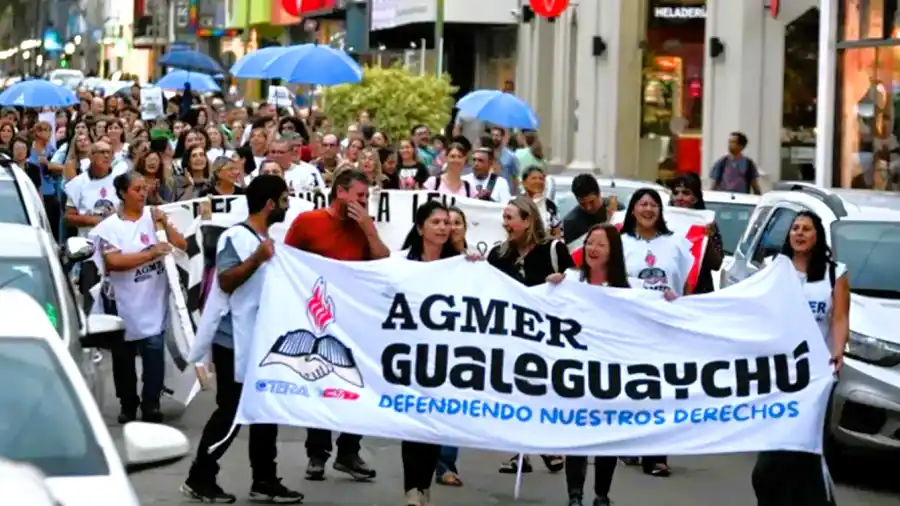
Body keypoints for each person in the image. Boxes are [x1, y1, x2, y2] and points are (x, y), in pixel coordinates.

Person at [181, 175, 304, 504]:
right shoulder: (237, 237)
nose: (287, 204)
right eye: (284, 199)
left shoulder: (267, 239)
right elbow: (226, 280)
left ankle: (264, 479)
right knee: (231, 411)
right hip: (234, 340)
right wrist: (257, 259)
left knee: (265, 411)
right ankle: (200, 476)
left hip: (260, 340)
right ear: (269, 204)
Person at [284, 168, 389, 480]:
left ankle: (349, 451)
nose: (363, 202)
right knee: (320, 384)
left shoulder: (363, 227)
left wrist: (369, 230)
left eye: (366, 197)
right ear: (340, 192)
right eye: (359, 196)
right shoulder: (308, 222)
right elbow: (288, 264)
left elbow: (383, 262)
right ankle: (317, 454)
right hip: (317, 319)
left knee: (353, 385)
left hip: (353, 319)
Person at [751, 211, 848, 506]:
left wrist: (838, 351)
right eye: (795, 228)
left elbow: (840, 318)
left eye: (806, 228)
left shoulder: (835, 273)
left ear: (818, 236)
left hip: (815, 376)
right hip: (777, 373)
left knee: (804, 447)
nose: (799, 233)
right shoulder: (773, 268)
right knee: (772, 452)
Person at [90, 171, 186, 423]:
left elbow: (180, 245)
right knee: (123, 358)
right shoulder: (109, 227)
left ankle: (151, 403)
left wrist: (164, 223)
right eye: (137, 189)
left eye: (145, 188)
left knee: (154, 353)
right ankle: (128, 404)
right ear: (123, 193)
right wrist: (151, 252)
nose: (143, 193)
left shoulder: (154, 217)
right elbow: (114, 262)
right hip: (121, 303)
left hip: (152, 301)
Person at [488, 196, 570, 475]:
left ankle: (546, 443)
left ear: (528, 220)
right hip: (509, 333)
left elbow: (577, 283)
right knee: (512, 390)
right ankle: (516, 450)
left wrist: (564, 279)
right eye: (504, 217)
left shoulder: (554, 249)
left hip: (546, 333)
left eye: (511, 217)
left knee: (541, 389)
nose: (506, 223)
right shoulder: (499, 255)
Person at [547, 224, 628, 506]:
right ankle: (575, 495)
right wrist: (551, 287)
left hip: (610, 373)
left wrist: (665, 298)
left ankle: (601, 495)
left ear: (613, 251)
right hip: (576, 372)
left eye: (600, 244)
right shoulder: (570, 280)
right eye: (589, 243)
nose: (592, 249)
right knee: (577, 436)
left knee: (606, 437)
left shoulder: (627, 290)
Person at [619, 188, 693, 477]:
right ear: (633, 210)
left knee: (660, 388)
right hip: (632, 325)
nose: (648, 209)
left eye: (654, 205)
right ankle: (631, 440)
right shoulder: (621, 242)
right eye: (643, 204)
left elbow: (688, 283)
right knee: (634, 386)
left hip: (666, 326)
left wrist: (684, 308)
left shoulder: (676, 243)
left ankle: (656, 454)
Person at [398, 200, 461, 506]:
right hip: (410, 354)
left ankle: (424, 486)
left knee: (436, 423)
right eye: (435, 222)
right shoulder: (402, 262)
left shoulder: (460, 264)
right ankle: (412, 488)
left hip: (445, 357)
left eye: (446, 223)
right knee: (412, 420)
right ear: (421, 227)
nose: (442, 228)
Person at [669, 174, 723, 293]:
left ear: (696, 198)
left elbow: (716, 264)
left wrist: (707, 238)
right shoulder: (662, 221)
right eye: (676, 193)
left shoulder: (707, 223)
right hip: (668, 289)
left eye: (686, 193)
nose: (680, 197)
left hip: (699, 292)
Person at [562, 174, 609, 243]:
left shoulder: (617, 210)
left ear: (599, 193)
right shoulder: (571, 224)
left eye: (591, 202)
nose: (588, 208)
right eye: (582, 204)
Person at [521, 166, 560, 236]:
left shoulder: (550, 205)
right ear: (524, 183)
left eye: (541, 179)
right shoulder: (516, 204)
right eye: (534, 178)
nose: (538, 181)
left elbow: (557, 232)